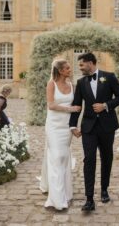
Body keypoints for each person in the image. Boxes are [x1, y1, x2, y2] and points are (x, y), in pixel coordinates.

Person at [69, 52, 119, 211]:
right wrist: (73, 125)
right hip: (89, 127)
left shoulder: (109, 77)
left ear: (91, 63)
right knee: (89, 160)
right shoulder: (80, 82)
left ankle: (104, 189)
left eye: (81, 65)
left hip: (107, 126)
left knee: (107, 158)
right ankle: (89, 199)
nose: (79, 68)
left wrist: (106, 105)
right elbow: (77, 104)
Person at [39, 59, 81, 210]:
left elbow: (77, 106)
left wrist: (74, 126)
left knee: (64, 157)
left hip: (66, 127)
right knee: (57, 157)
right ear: (60, 70)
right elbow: (51, 105)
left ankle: (65, 192)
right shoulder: (51, 84)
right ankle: (57, 200)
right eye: (68, 68)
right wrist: (70, 109)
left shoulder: (71, 85)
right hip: (54, 126)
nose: (70, 70)